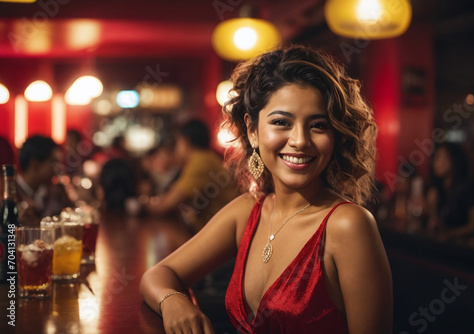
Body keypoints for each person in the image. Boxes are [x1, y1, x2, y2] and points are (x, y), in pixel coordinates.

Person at [140, 45, 393, 333]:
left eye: (318, 125)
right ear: (252, 131)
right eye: (281, 122)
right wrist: (175, 302)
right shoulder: (249, 210)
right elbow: (159, 274)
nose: (300, 140)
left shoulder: (348, 225)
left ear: (334, 136)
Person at [146, 120, 239, 233]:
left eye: (178, 142)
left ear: (185, 142)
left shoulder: (201, 162)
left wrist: (141, 205)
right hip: (219, 230)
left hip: (223, 233)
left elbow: (166, 205)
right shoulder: (205, 158)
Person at [426, 142, 474, 241]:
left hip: (463, 246)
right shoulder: (437, 189)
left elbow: (473, 226)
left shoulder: (467, 187)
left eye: (442, 158)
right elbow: (434, 221)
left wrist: (450, 234)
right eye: (436, 158)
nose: (437, 163)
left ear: (454, 159)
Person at [16, 135, 73, 226]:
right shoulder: (6, 195)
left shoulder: (52, 192)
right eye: (54, 163)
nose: (58, 169)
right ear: (35, 165)